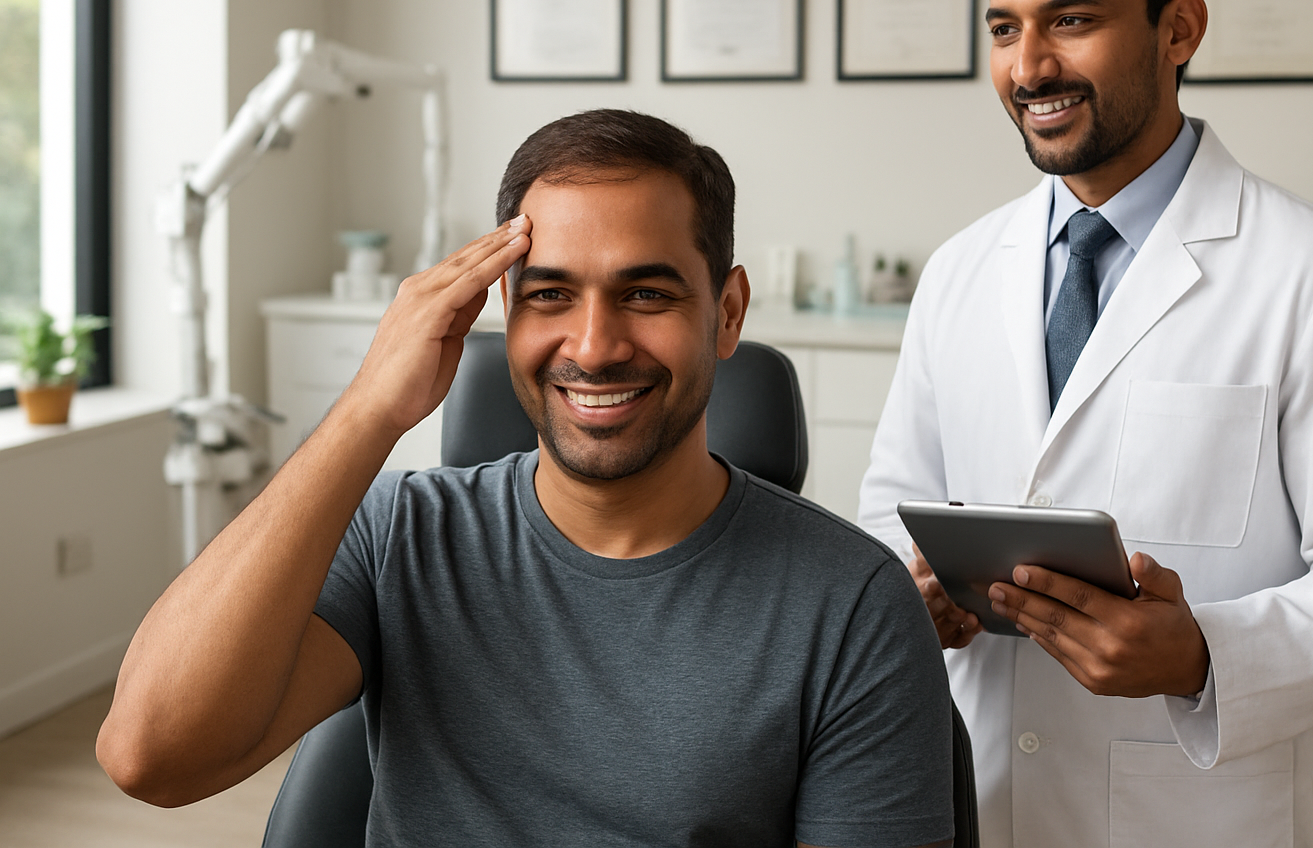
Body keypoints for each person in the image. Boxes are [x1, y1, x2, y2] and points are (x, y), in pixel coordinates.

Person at [99, 109, 956, 848]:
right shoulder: (400, 534)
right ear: (505, 311)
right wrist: (367, 410)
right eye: (550, 295)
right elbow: (152, 756)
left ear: (726, 312)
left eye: (647, 294)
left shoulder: (851, 604)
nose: (593, 346)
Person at [857, 0, 1313, 848]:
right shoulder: (962, 268)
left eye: (1072, 20)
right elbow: (889, 504)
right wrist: (910, 590)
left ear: (1179, 29)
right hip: (969, 796)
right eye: (1005, 28)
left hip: (1192, 815)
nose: (1030, 67)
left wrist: (1203, 652)